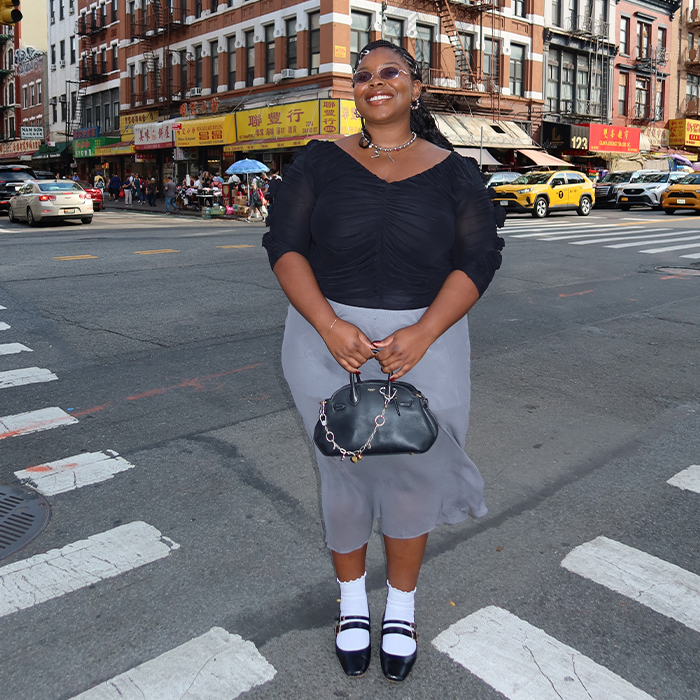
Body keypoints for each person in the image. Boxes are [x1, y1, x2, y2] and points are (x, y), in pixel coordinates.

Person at [262, 40, 504, 683]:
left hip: (429, 341)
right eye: (362, 75)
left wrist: (424, 331)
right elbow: (284, 245)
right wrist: (327, 322)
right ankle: (351, 606)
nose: (375, 83)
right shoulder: (317, 163)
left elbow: (478, 258)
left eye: (390, 72)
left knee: (413, 475)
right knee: (343, 473)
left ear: (416, 86)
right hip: (324, 338)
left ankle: (400, 607)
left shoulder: (457, 171)